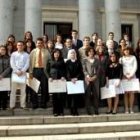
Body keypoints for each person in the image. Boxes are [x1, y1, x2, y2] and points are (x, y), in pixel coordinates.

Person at [29, 38, 50, 109]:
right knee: (34, 88)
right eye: (38, 43)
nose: (39, 44)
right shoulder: (33, 52)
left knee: (44, 88)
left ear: (43, 44)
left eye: (41, 43)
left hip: (44, 71)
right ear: (36, 44)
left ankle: (43, 103)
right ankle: (35, 104)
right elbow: (30, 63)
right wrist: (30, 72)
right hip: (35, 70)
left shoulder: (46, 51)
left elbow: (49, 62)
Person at [10, 41, 29, 109]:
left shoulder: (26, 55)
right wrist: (17, 71)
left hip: (23, 74)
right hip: (15, 74)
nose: (20, 46)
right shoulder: (13, 54)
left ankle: (23, 105)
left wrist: (22, 71)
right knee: (13, 91)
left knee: (23, 91)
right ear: (16, 46)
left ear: (23, 46)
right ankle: (12, 105)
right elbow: (12, 64)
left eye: (21, 45)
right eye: (18, 45)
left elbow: (27, 64)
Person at [48, 49, 66, 116]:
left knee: (61, 96)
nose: (56, 54)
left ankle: (61, 111)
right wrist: (49, 77)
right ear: (53, 54)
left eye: (58, 53)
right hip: (53, 80)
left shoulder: (62, 61)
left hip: (61, 80)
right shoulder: (50, 60)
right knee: (54, 97)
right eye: (55, 53)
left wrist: (63, 76)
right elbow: (46, 70)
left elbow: (65, 69)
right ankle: (55, 111)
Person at [66, 49, 84, 115]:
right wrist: (70, 79)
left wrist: (76, 78)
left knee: (76, 96)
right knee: (71, 96)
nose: (72, 54)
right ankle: (71, 110)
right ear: (69, 54)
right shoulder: (67, 62)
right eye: (71, 53)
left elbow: (80, 71)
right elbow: (66, 72)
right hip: (70, 82)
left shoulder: (78, 62)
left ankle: (75, 109)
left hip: (77, 81)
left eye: (73, 53)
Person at [119, 47, 137, 113]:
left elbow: (135, 66)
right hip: (124, 77)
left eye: (127, 50)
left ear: (129, 51)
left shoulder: (133, 57)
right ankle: (126, 108)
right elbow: (121, 68)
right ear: (123, 51)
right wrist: (126, 75)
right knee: (126, 93)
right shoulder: (121, 59)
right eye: (125, 50)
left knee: (132, 93)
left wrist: (131, 75)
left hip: (132, 76)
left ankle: (131, 108)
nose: (126, 51)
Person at [82, 47, 100, 115]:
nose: (91, 53)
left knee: (96, 95)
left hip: (95, 79)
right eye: (89, 51)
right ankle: (88, 110)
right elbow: (84, 70)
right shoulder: (84, 60)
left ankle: (96, 110)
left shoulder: (97, 60)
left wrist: (95, 76)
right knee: (87, 95)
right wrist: (88, 76)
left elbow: (99, 69)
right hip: (87, 80)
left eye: (92, 51)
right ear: (87, 52)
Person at [0, 45, 11, 110]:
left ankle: (4, 106)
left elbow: (9, 67)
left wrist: (2, 75)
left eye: (4, 49)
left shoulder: (8, 58)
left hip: (5, 77)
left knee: (5, 92)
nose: (2, 51)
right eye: (1, 49)